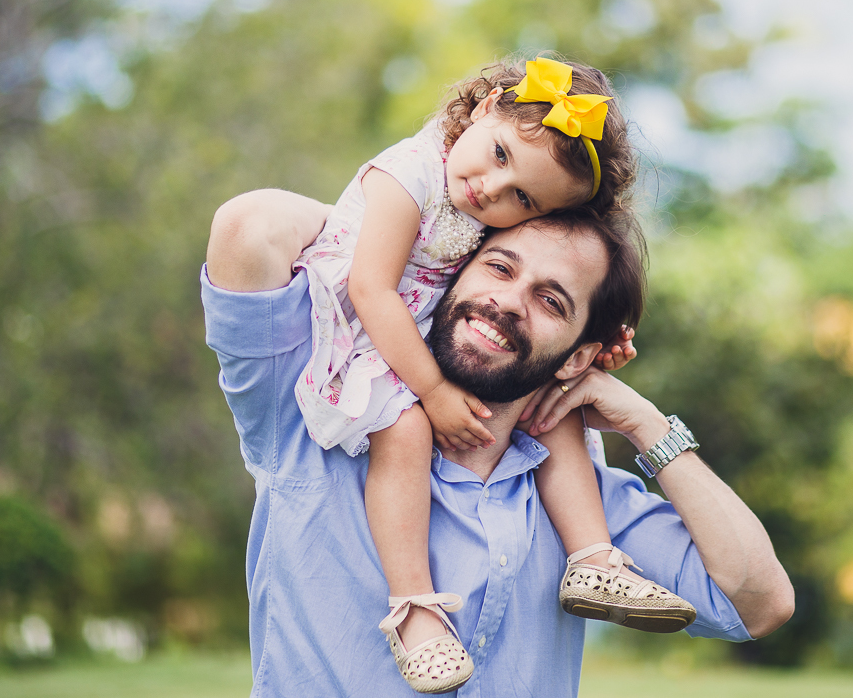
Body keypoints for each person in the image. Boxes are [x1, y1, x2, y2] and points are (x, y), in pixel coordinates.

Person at [203, 196, 795, 697]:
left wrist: (648, 425)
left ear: (580, 357)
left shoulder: (584, 509)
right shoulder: (312, 417)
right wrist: (411, 239)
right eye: (499, 267)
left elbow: (760, 603)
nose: (509, 301)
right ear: (454, 271)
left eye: (551, 301)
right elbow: (247, 228)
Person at [285, 55, 690, 692]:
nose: (491, 190)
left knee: (550, 397)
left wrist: (588, 349)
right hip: (364, 332)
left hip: (414, 327)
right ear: (483, 107)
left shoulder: (480, 202)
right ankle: (414, 610)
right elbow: (370, 288)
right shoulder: (409, 175)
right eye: (500, 154)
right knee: (406, 432)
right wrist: (434, 391)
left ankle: (592, 558)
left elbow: (534, 277)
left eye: (522, 198)